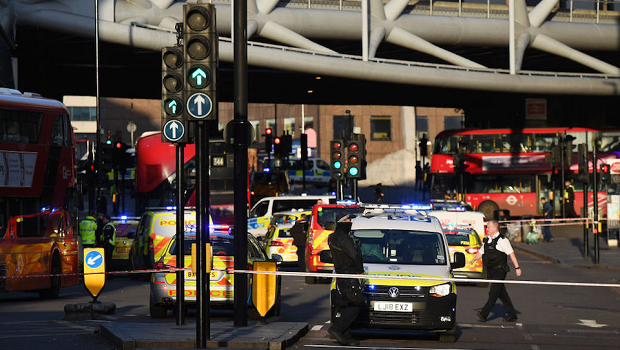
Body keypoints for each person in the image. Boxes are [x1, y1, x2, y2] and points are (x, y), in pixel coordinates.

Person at [470, 220, 522, 322]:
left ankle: (483, 314)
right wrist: (473, 260)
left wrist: (517, 268)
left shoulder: (502, 240)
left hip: (500, 270)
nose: (487, 229)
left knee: (493, 293)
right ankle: (512, 315)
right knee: (502, 293)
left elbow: (511, 254)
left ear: (494, 228)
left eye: (488, 227)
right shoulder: (487, 240)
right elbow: (481, 252)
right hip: (491, 271)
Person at [328, 213, 363, 346]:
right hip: (349, 275)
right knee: (356, 304)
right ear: (342, 222)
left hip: (341, 274)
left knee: (346, 304)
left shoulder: (332, 237)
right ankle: (337, 329)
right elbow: (354, 256)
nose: (350, 222)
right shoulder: (344, 238)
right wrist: (360, 270)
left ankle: (346, 336)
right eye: (348, 220)